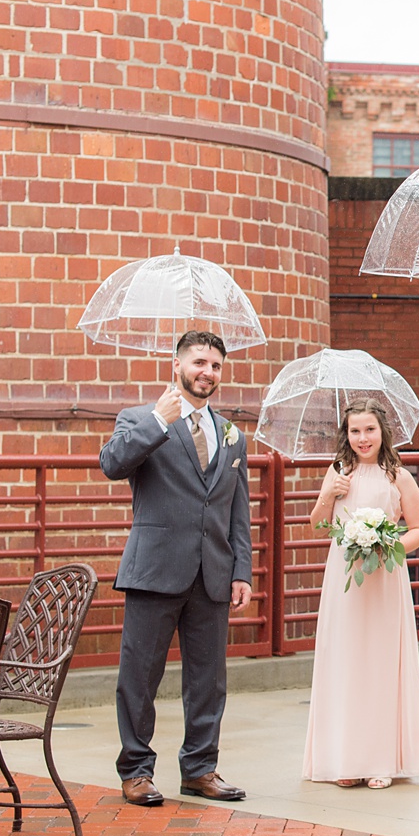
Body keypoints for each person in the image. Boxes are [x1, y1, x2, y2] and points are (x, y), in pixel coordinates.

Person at [99, 330, 252, 807]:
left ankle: (201, 768)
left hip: (213, 574)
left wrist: (241, 570)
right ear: (177, 364)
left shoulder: (231, 433)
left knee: (209, 678)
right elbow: (111, 464)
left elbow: (237, 510)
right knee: (140, 676)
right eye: (199, 362)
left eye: (216, 366)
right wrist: (158, 424)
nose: (207, 372)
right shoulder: (140, 418)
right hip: (154, 569)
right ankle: (136, 770)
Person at [302, 398, 419, 789]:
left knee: (378, 663)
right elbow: (318, 526)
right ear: (347, 434)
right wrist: (328, 493)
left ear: (382, 432)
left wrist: (387, 546)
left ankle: (379, 760)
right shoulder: (337, 472)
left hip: (384, 580)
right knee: (345, 662)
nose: (362, 438)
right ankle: (345, 758)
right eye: (355, 431)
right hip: (343, 582)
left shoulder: (399, 477)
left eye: (369, 430)